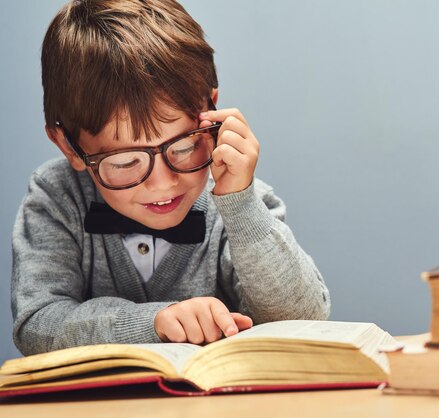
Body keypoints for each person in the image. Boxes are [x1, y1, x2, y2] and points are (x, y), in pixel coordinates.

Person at [11, 0, 330, 356]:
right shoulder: (57, 197)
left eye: (183, 147)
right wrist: (154, 322)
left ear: (211, 114)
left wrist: (240, 208)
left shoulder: (238, 202)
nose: (163, 183)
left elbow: (304, 317)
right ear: (69, 146)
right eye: (125, 161)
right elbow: (37, 326)